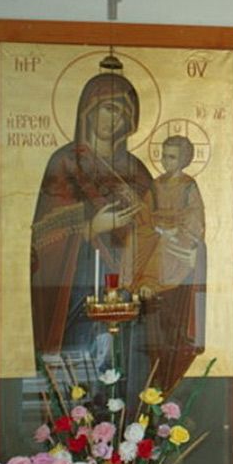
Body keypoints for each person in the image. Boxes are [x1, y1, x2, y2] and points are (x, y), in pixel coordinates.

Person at [30, 61, 153, 376]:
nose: (116, 120)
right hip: (80, 285)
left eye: (125, 114)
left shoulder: (136, 170)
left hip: (127, 284)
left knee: (127, 365)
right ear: (89, 109)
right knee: (83, 364)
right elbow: (41, 239)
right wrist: (90, 228)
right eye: (109, 109)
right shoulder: (66, 163)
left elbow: (155, 229)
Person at [134, 135, 207, 393]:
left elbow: (195, 220)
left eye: (173, 157)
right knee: (141, 240)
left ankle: (152, 283)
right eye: (164, 156)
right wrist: (153, 226)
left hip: (177, 240)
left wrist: (175, 230)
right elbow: (143, 215)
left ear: (185, 159)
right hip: (155, 234)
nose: (167, 161)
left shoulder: (189, 186)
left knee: (167, 246)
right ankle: (146, 283)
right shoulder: (155, 185)